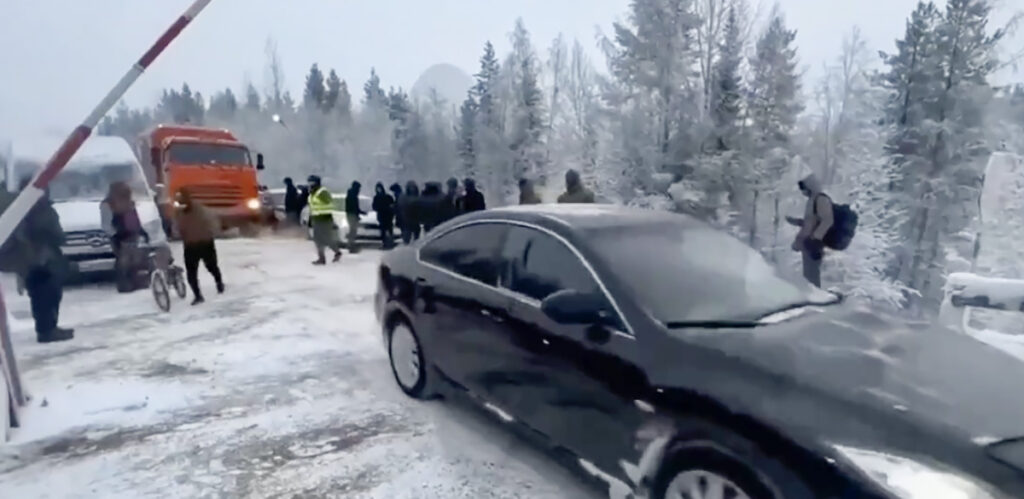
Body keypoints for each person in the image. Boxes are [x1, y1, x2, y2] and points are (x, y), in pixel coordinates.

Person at [0, 183, 74, 343]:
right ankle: (46, 330)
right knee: (44, 296)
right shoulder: (27, 211)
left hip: (42, 257)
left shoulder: (37, 209)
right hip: (38, 259)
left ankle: (49, 328)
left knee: (50, 295)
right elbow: (25, 234)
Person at [175, 189, 224, 305]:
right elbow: (178, 228)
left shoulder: (200, 210)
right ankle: (198, 295)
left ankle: (219, 284)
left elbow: (211, 222)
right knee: (192, 273)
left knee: (211, 266)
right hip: (191, 245)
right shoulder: (181, 211)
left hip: (204, 243)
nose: (180, 202)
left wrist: (210, 233)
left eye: (181, 199)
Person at [101, 181, 150, 293]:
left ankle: (135, 282)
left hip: (132, 234)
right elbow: (106, 224)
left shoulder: (129, 203)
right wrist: (116, 236)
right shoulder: (108, 204)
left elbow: (135, 218)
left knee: (135, 259)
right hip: (119, 236)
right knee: (123, 261)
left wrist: (142, 231)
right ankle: (123, 284)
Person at [788, 173, 834, 288]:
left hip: (814, 243)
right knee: (808, 274)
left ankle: (816, 297)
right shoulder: (812, 200)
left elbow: (827, 220)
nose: (803, 192)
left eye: (804, 189)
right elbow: (810, 222)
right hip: (808, 243)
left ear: (811, 186)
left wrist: (816, 237)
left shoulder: (820, 199)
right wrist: (796, 222)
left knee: (812, 274)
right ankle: (812, 296)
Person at [307, 175, 342, 264]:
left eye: (312, 182)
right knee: (317, 239)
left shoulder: (322, 192)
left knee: (326, 239)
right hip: (316, 219)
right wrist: (310, 219)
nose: (310, 184)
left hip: (325, 219)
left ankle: (337, 252)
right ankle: (322, 258)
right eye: (309, 182)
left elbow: (329, 202)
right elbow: (312, 207)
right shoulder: (312, 193)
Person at [372, 182, 396, 248]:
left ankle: (390, 243)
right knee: (383, 231)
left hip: (387, 216)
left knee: (389, 229)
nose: (379, 190)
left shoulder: (387, 197)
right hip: (382, 216)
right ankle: (385, 243)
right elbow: (374, 207)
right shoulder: (376, 197)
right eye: (377, 188)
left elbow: (393, 205)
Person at [344, 181, 366, 253]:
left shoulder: (351, 194)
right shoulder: (352, 195)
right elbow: (354, 207)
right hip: (352, 214)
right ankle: (351, 246)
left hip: (351, 214)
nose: (359, 190)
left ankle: (350, 245)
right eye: (359, 188)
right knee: (353, 231)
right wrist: (359, 213)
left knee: (353, 231)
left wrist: (359, 213)